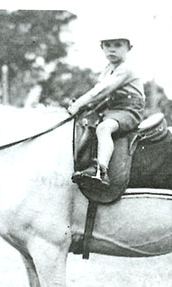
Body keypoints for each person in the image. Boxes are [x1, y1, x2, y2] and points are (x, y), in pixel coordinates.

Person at [68, 32, 145, 188]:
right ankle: (84, 164)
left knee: (104, 128)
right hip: (112, 109)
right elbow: (101, 95)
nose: (112, 50)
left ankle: (100, 171)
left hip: (129, 110)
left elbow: (102, 91)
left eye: (118, 45)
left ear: (129, 48)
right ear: (101, 48)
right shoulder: (107, 69)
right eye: (107, 45)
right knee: (85, 126)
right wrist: (86, 107)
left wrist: (79, 104)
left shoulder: (125, 69)